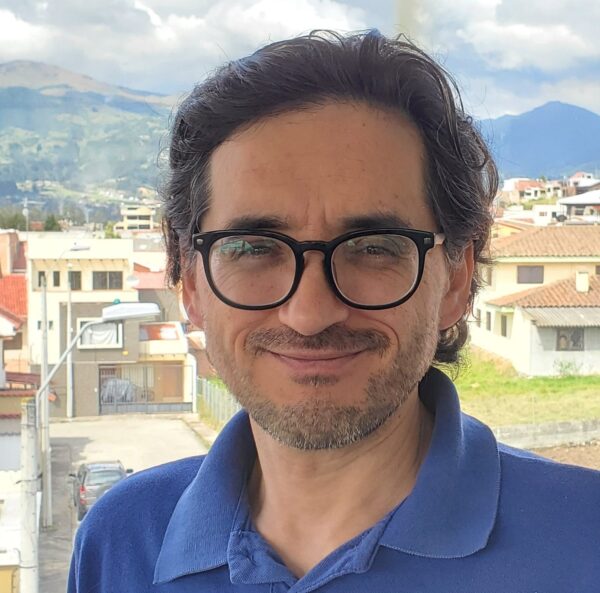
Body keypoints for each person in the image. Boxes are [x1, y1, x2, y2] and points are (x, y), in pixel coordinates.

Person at [69, 30, 600, 592]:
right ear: (190, 279)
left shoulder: (584, 544)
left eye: (373, 247)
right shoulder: (121, 541)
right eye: (252, 249)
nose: (310, 314)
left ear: (457, 279)